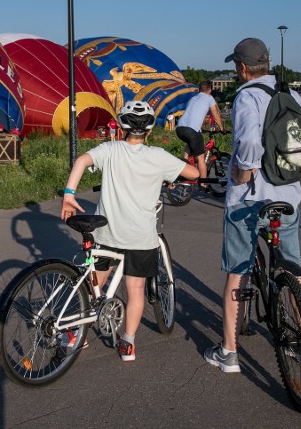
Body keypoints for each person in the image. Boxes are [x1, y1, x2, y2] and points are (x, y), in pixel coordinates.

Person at [203, 37, 301, 373]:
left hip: (249, 200)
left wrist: (241, 172)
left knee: (237, 270)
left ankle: (228, 352)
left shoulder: (246, 97)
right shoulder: (292, 95)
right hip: (287, 196)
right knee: (293, 267)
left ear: (242, 68)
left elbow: (250, 143)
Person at [61, 101, 199, 361]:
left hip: (107, 234)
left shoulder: (110, 149)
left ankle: (76, 334)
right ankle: (128, 343)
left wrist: (69, 193)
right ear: (148, 131)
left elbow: (81, 161)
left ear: (122, 127)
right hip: (140, 238)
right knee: (135, 289)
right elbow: (193, 174)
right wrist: (180, 167)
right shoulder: (159, 156)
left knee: (94, 286)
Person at [176, 80, 224, 180]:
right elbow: (215, 115)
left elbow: (193, 114)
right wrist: (222, 128)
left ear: (199, 90)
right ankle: (203, 183)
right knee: (201, 159)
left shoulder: (193, 98)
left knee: (189, 146)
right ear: (210, 90)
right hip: (191, 130)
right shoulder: (209, 98)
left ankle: (182, 171)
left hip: (179, 128)